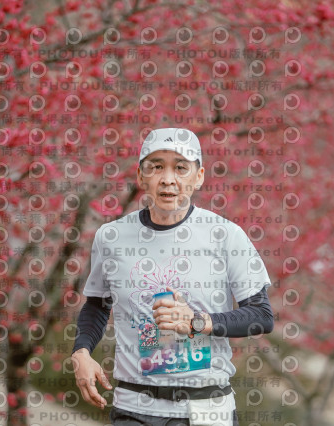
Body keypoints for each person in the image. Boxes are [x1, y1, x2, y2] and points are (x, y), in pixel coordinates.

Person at [71, 128, 274, 426]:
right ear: (141, 176)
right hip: (132, 407)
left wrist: (196, 322)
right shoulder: (111, 237)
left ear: (199, 176)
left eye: (180, 167)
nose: (168, 179)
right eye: (156, 167)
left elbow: (262, 316)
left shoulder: (225, 235)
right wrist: (81, 351)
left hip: (205, 409)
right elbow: (97, 305)